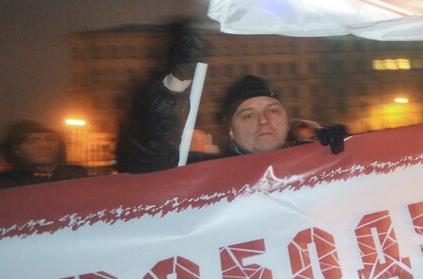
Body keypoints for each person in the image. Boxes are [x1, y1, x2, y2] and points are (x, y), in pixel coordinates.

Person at [116, 25, 345, 174]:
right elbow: (143, 158)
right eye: (248, 115)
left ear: (287, 123)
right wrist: (178, 78)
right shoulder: (207, 172)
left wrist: (348, 150)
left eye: (273, 110)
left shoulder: (313, 162)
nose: (263, 120)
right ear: (231, 132)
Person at [0, 121, 88, 191]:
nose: (44, 146)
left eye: (50, 139)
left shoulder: (78, 178)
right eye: (32, 141)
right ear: (17, 150)